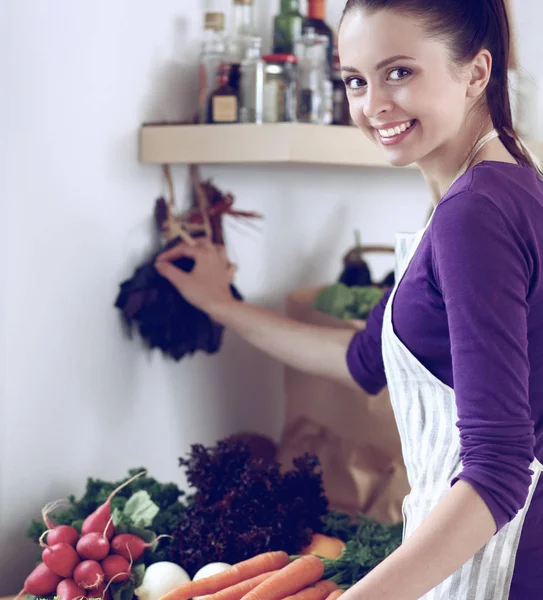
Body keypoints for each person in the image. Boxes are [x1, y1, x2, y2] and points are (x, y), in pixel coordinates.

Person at [155, 0, 543, 597]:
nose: (372, 105)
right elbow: (364, 360)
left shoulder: (475, 214)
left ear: (477, 73)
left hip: (509, 564)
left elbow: (498, 473)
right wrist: (221, 304)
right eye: (355, 80)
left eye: (399, 72)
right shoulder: (506, 184)